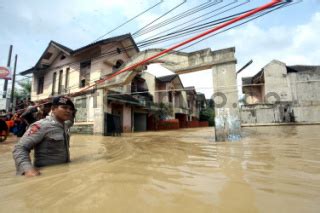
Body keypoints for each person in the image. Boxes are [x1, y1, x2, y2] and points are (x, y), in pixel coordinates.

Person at [12, 96, 76, 177]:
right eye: (64, 107)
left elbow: (71, 120)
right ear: (53, 109)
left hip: (63, 173)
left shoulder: (65, 125)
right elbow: (20, 148)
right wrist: (27, 169)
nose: (68, 111)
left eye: (70, 109)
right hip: (46, 174)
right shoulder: (41, 125)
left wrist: (74, 109)